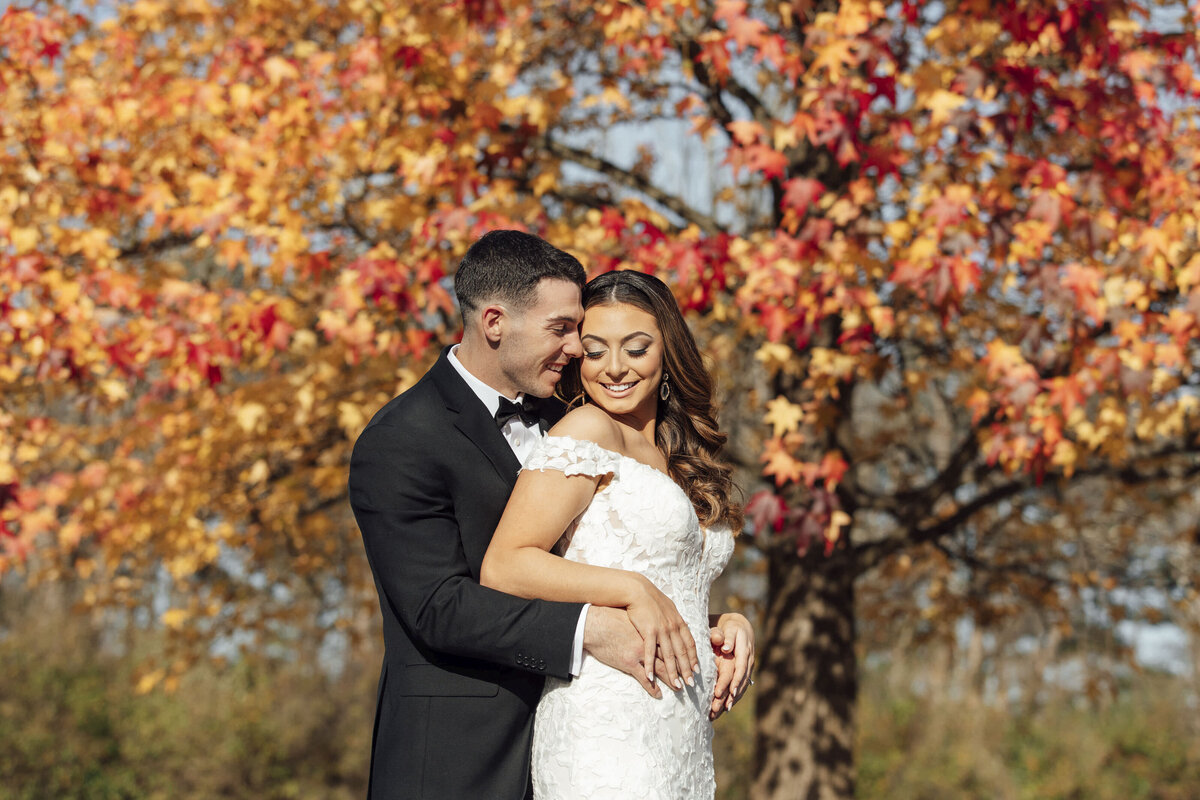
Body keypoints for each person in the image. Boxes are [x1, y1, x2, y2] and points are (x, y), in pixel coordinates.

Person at [348, 231, 750, 800]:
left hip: (625, 722)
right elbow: (438, 606)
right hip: (461, 756)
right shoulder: (403, 438)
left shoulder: (570, 410)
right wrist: (590, 628)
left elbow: (619, 550)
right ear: (494, 322)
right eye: (565, 331)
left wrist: (722, 628)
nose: (577, 352)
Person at [480, 269, 754, 799]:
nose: (614, 368)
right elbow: (506, 564)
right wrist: (632, 588)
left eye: (636, 348)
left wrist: (723, 622)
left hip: (682, 736)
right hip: (607, 728)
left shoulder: (679, 457)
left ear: (667, 353)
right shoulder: (587, 432)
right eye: (596, 349)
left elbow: (671, 586)